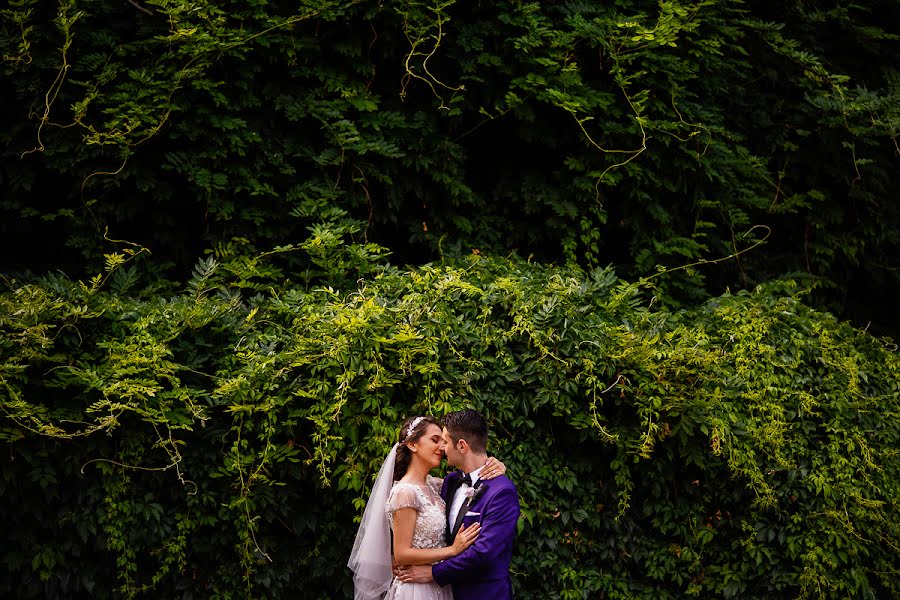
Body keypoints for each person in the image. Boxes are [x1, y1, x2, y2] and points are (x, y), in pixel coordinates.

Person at [348, 415, 507, 600]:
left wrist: (496, 465)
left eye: (443, 441)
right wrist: (452, 550)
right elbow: (401, 554)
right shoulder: (404, 492)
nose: (442, 447)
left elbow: (475, 475)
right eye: (435, 440)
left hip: (443, 587)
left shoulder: (439, 485)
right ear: (413, 445)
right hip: (416, 588)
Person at [394, 409, 520, 600]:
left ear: (462, 446)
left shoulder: (502, 492)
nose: (442, 448)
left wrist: (432, 573)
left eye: (444, 442)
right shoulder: (450, 482)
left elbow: (483, 553)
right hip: (442, 592)